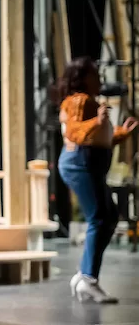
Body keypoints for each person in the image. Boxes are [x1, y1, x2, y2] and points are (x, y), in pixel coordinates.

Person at [56, 57, 136, 303]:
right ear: (83, 78)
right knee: (100, 218)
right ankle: (88, 279)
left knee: (108, 216)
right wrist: (98, 121)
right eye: (94, 74)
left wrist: (121, 132)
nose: (99, 78)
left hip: (88, 163)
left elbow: (98, 139)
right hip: (80, 164)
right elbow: (75, 132)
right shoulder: (79, 100)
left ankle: (85, 275)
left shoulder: (89, 101)